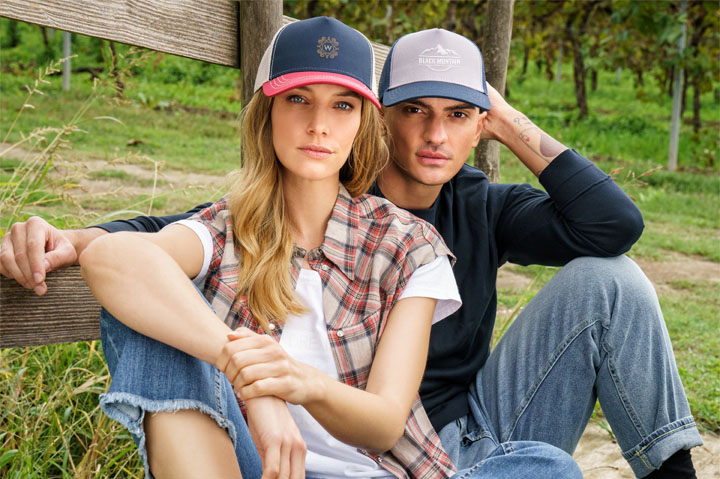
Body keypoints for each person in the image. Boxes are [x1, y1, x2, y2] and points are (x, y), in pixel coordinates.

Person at [0, 25, 701, 479]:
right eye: (415, 109)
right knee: (155, 305)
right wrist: (77, 237)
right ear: (383, 116)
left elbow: (614, 224)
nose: (435, 135)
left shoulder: (470, 212)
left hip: (442, 440)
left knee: (608, 298)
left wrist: (501, 113)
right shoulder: (287, 205)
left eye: (458, 115)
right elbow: (165, 238)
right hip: (294, 445)